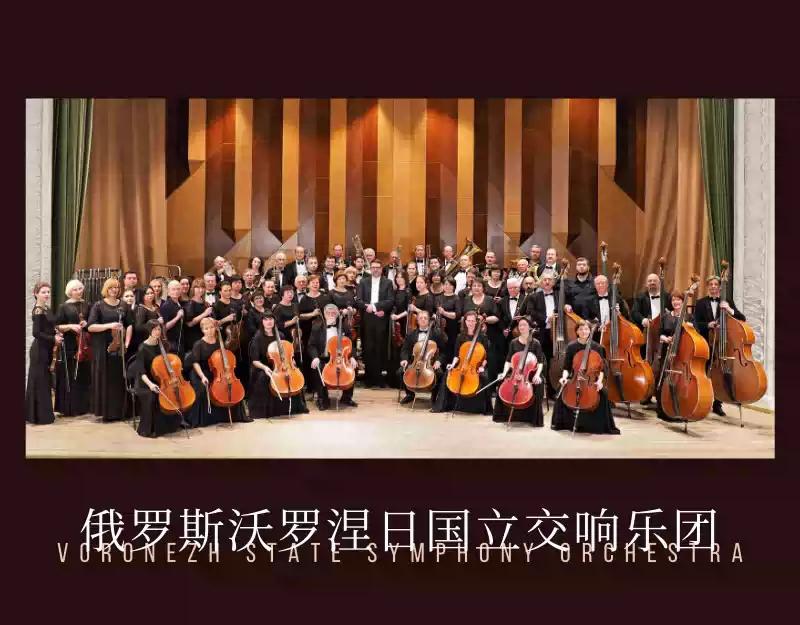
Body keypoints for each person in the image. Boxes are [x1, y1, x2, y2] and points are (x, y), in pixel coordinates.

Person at [551, 319, 620, 434]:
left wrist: (599, 382)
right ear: (577, 331)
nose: (584, 331)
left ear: (590, 331)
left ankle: (597, 425)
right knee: (560, 390)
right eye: (581, 329)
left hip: (592, 380)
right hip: (575, 378)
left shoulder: (597, 347)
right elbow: (567, 367)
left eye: (586, 329)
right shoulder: (571, 347)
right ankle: (564, 423)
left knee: (603, 394)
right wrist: (564, 378)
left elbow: (602, 369)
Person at [693, 274, 747, 416]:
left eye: (716, 284)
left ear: (720, 287)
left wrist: (729, 309)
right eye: (711, 284)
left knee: (722, 373)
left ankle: (718, 403)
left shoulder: (727, 301)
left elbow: (742, 318)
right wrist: (708, 325)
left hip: (723, 343)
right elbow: (695, 323)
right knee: (705, 372)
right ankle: (702, 400)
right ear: (707, 287)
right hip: (706, 343)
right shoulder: (700, 303)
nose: (713, 287)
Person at [186, 317, 249, 426]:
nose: (209, 331)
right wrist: (202, 377)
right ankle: (203, 420)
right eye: (206, 329)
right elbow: (195, 362)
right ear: (202, 330)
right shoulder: (198, 344)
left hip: (217, 371)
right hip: (202, 371)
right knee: (202, 390)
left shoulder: (219, 342)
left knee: (230, 386)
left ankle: (234, 416)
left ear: (215, 328)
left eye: (211, 327)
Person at [87, 278, 134, 422]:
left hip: (119, 347)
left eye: (117, 287)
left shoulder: (124, 305)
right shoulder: (98, 306)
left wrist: (126, 343)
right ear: (106, 289)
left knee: (118, 379)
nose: (115, 290)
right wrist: (109, 326)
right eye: (111, 287)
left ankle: (120, 411)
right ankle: (106, 412)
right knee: (105, 379)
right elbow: (90, 327)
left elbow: (129, 324)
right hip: (103, 348)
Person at [130, 320, 186, 437]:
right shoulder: (142, 348)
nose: (157, 332)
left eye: (159, 329)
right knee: (153, 397)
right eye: (154, 329)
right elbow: (141, 372)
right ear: (149, 331)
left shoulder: (163, 345)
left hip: (161, 378)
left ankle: (173, 424)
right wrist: (151, 385)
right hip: (145, 382)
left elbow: (167, 363)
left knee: (175, 392)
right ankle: (151, 429)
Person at [247, 313, 309, 418]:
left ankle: (292, 407)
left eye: (271, 319)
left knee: (293, 375)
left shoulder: (280, 335)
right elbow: (255, 361)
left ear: (274, 321)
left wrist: (292, 360)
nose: (269, 322)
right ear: (262, 322)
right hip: (264, 366)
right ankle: (269, 411)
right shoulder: (258, 338)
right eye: (266, 319)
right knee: (263, 377)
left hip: (281, 364)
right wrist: (265, 368)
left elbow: (287, 352)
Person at [432, 310, 492, 415]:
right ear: (465, 322)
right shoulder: (460, 336)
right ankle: (443, 405)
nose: (470, 323)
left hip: (477, 366)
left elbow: (486, 356)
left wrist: (482, 366)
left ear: (476, 322)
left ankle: (485, 409)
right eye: (468, 321)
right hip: (462, 364)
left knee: (484, 377)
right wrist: (453, 365)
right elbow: (457, 355)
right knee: (448, 373)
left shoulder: (482, 337)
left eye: (473, 321)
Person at [492, 316, 545, 425]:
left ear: (529, 327)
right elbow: (508, 361)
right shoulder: (513, 342)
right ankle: (503, 415)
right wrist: (504, 373)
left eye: (524, 325)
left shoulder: (536, 343)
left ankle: (533, 418)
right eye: (520, 325)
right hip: (515, 372)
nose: (522, 327)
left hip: (531, 373)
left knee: (538, 383)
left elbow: (540, 362)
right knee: (502, 381)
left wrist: (537, 375)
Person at [308, 304, 359, 410]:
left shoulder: (343, 326)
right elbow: (311, 345)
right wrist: (315, 357)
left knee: (353, 366)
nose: (331, 315)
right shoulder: (317, 326)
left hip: (341, 357)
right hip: (324, 357)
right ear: (324, 314)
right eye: (328, 313)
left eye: (333, 313)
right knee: (318, 368)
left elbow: (350, 343)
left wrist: (352, 357)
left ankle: (347, 398)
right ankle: (322, 399)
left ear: (337, 314)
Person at [653, 290, 693, 423]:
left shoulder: (688, 317)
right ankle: (663, 409)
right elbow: (659, 334)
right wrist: (666, 339)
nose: (675, 302)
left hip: (682, 353)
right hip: (668, 351)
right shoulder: (665, 316)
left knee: (679, 381)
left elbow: (695, 334)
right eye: (673, 300)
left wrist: (690, 327)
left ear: (682, 301)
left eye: (678, 299)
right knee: (663, 378)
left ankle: (679, 408)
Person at [54, 279, 91, 416]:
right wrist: (70, 326)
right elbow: (57, 326)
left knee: (83, 374)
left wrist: (86, 323)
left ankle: (84, 407)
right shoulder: (63, 307)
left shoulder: (87, 304)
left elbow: (92, 321)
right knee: (70, 374)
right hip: (70, 343)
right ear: (70, 292)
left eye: (80, 288)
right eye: (75, 289)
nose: (78, 291)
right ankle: (69, 408)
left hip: (84, 343)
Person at [26, 281, 61, 425]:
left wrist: (56, 332)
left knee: (45, 382)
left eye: (48, 292)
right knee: (39, 382)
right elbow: (36, 333)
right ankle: (38, 417)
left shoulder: (46, 308)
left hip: (47, 349)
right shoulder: (38, 310)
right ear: (36, 294)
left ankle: (43, 415)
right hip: (39, 350)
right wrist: (53, 338)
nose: (46, 294)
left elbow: (49, 327)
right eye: (43, 292)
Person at [356, 259, 395, 388]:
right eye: (373, 267)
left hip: (381, 317)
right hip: (367, 318)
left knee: (380, 347)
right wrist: (367, 306)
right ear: (370, 268)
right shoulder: (363, 282)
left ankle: (379, 379)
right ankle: (368, 378)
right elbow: (358, 300)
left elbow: (390, 300)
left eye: (378, 267)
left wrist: (376, 307)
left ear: (381, 269)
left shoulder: (388, 282)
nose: (375, 269)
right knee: (368, 347)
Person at [399, 309, 447, 405]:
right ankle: (410, 394)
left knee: (439, 373)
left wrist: (439, 361)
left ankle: (434, 396)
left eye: (425, 318)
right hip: (415, 362)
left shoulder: (437, 334)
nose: (423, 320)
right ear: (417, 320)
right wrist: (404, 359)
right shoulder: (411, 334)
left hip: (431, 362)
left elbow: (444, 351)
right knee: (400, 372)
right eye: (421, 318)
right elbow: (405, 349)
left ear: (429, 320)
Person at [462, 278, 503, 382]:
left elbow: (496, 317)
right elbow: (463, 316)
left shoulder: (489, 300)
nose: (476, 288)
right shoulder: (466, 299)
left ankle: (490, 385)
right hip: (470, 335)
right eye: (474, 286)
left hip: (488, 335)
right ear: (471, 287)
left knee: (489, 359)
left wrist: (484, 319)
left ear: (483, 288)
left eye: (479, 286)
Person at [389, 273, 411, 388]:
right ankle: (393, 379)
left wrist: (398, 316)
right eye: (397, 277)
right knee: (394, 349)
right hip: (394, 321)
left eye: (401, 277)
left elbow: (409, 309)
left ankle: (402, 381)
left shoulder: (408, 291)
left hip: (403, 321)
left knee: (402, 347)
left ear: (405, 279)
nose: (399, 279)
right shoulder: (395, 291)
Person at [184, 278, 214, 357]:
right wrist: (205, 313)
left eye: (202, 287)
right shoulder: (190, 303)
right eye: (197, 288)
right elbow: (189, 324)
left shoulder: (205, 303)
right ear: (193, 289)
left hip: (205, 336)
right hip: (194, 337)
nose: (200, 290)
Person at [436, 276, 461, 365]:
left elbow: (457, 315)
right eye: (446, 284)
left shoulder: (456, 298)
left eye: (450, 285)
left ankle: (450, 366)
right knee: (441, 347)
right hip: (440, 327)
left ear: (454, 286)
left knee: (450, 348)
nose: (447, 286)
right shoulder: (439, 297)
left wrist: (444, 312)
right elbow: (435, 312)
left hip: (452, 328)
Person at [133, 286, 161, 357]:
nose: (150, 295)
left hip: (156, 339)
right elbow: (138, 327)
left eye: (151, 293)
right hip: (146, 341)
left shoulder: (156, 307)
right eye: (147, 294)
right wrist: (156, 322)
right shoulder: (141, 309)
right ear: (142, 296)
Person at [160, 280, 185, 355]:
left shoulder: (179, 303)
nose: (176, 291)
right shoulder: (166, 306)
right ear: (168, 291)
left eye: (178, 289)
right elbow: (165, 327)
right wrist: (178, 317)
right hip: (171, 343)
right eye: (173, 289)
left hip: (180, 341)